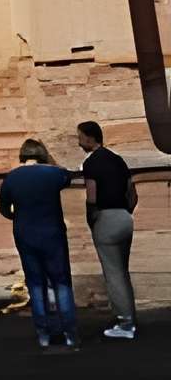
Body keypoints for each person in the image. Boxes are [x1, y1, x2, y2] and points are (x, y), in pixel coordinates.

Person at [0, 138, 78, 348]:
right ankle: (69, 332)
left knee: (35, 284)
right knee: (61, 283)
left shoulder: (11, 178)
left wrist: (19, 217)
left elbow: (4, 208)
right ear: (42, 155)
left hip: (25, 234)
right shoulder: (53, 174)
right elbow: (68, 177)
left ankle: (43, 334)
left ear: (22, 155)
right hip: (52, 233)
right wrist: (51, 161)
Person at [77, 118, 138, 339]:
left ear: (90, 138)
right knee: (123, 271)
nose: (79, 142)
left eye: (80, 137)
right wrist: (126, 211)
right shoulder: (118, 159)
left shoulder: (91, 163)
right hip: (124, 217)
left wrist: (92, 218)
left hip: (106, 217)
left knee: (114, 274)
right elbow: (132, 191)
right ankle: (129, 318)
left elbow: (91, 194)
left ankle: (125, 324)